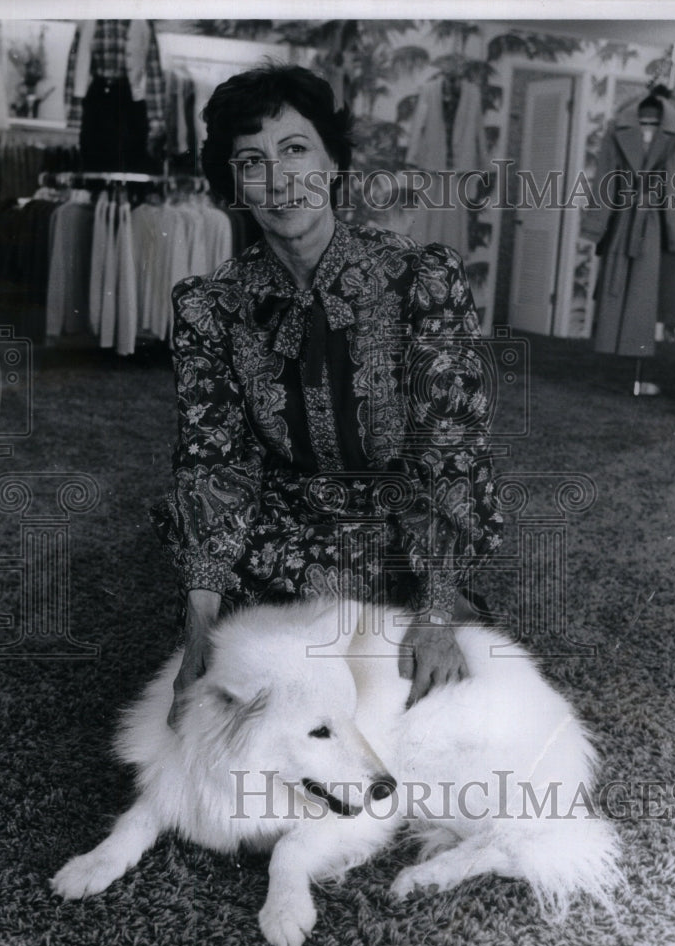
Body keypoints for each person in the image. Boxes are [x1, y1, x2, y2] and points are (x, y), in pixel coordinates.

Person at [150, 65, 503, 727]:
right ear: (233, 183)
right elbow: (212, 463)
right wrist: (196, 632)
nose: (279, 180)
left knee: (440, 707)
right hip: (283, 536)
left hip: (401, 530)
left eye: (295, 150)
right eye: (251, 161)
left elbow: (451, 450)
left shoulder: (420, 280)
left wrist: (434, 615)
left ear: (333, 161)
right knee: (255, 706)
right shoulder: (210, 307)